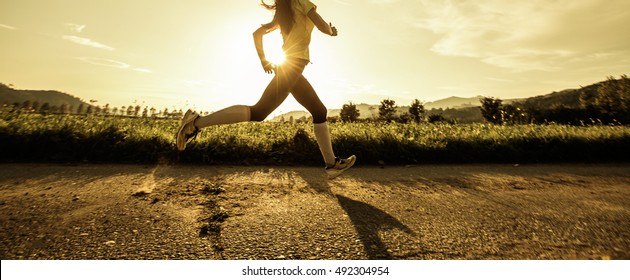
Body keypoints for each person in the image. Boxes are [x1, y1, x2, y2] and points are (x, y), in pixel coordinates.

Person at [176, 0, 355, 179]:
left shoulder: (285, 9)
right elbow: (322, 25)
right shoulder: (302, 2)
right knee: (259, 112)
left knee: (319, 110)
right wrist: (332, 31)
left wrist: (264, 60)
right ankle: (196, 122)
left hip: (291, 67)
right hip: (292, 67)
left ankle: (332, 164)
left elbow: (257, 34)